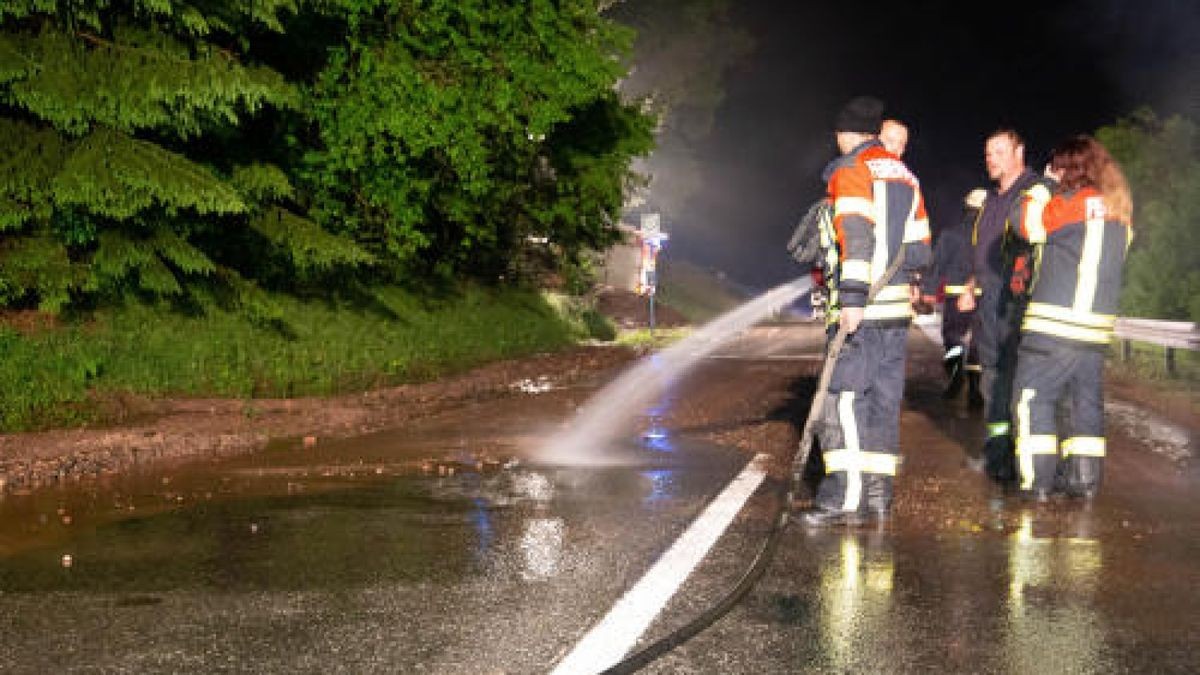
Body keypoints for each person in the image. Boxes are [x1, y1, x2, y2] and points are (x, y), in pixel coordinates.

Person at [801, 96, 931, 527]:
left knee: (841, 401)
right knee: (882, 402)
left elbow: (856, 236)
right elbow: (919, 253)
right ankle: (877, 496)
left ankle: (843, 498)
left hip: (865, 312)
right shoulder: (906, 175)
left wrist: (853, 298)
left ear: (845, 133)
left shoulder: (851, 170)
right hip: (895, 314)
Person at [1008, 135, 1132, 501]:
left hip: (1053, 327)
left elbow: (1024, 222)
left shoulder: (1068, 204)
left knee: (1033, 400)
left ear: (1068, 169)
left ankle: (1037, 485)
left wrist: (1044, 184)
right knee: (1085, 405)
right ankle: (1084, 483)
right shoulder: (1120, 212)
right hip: (1094, 330)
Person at [957, 129, 1048, 483]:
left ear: (1018, 152)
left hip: (1018, 300)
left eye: (998, 151)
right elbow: (984, 254)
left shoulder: (1033, 192)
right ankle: (997, 456)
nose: (990, 158)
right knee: (992, 379)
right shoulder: (992, 200)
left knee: (1018, 381)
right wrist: (971, 285)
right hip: (989, 299)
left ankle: (1024, 460)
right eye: (987, 153)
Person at [921, 188, 986, 402]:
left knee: (953, 338)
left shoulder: (951, 234)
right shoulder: (992, 236)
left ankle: (956, 373)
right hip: (984, 297)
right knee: (978, 342)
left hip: (955, 297)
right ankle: (975, 389)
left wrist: (928, 292)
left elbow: (936, 264)